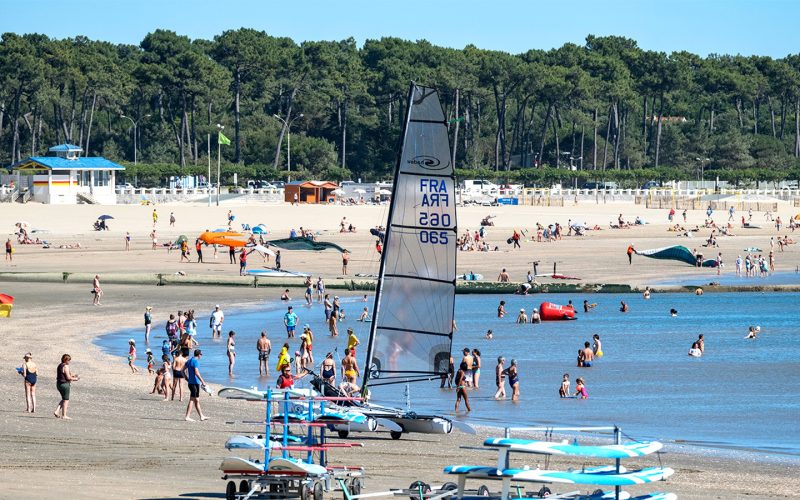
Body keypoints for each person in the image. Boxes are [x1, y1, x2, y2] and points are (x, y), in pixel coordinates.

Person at [184, 350, 208, 421]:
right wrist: (203, 382)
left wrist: (186, 378)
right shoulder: (196, 361)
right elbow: (197, 373)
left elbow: (182, 370)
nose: (201, 356)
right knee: (192, 400)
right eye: (201, 354)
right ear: (199, 355)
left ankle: (201, 416)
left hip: (193, 383)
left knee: (197, 400)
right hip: (194, 383)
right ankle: (187, 416)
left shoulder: (189, 360)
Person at [54, 354, 79, 419]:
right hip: (64, 384)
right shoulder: (66, 366)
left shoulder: (60, 365)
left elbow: (64, 374)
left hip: (59, 384)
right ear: (65, 360)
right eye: (69, 360)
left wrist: (73, 375)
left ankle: (57, 411)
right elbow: (68, 377)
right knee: (66, 400)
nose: (69, 362)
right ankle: (64, 415)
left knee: (63, 398)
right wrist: (75, 379)